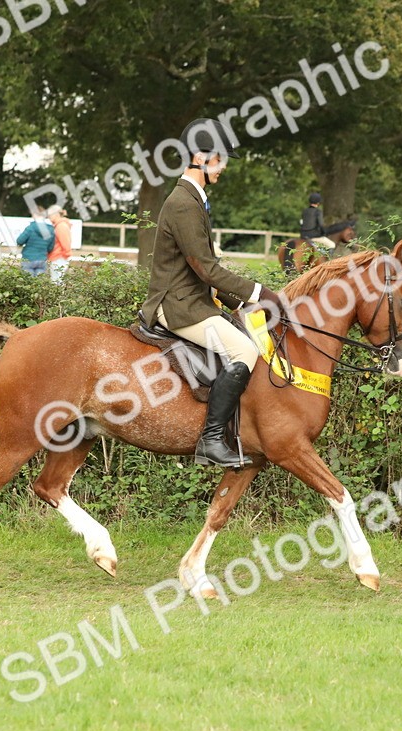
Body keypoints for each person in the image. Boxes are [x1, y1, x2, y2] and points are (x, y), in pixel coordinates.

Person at [140, 118, 288, 468]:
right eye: (220, 159)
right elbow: (206, 268)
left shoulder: (194, 199)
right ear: (200, 158)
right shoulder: (183, 203)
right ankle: (210, 441)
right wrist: (260, 292)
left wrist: (241, 304)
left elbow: (202, 272)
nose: (223, 167)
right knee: (244, 351)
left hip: (192, 300)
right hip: (176, 305)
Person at [16, 211, 56, 276]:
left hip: (28, 259)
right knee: (39, 283)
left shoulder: (30, 228)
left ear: (34, 215)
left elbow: (19, 241)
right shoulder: (50, 230)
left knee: (28, 282)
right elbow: (50, 248)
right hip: (42, 259)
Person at [47, 204, 72, 282]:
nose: (49, 217)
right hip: (58, 257)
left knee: (57, 282)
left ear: (56, 214)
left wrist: (66, 255)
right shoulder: (60, 225)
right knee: (57, 281)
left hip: (59, 257)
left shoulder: (60, 226)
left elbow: (66, 243)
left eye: (50, 215)